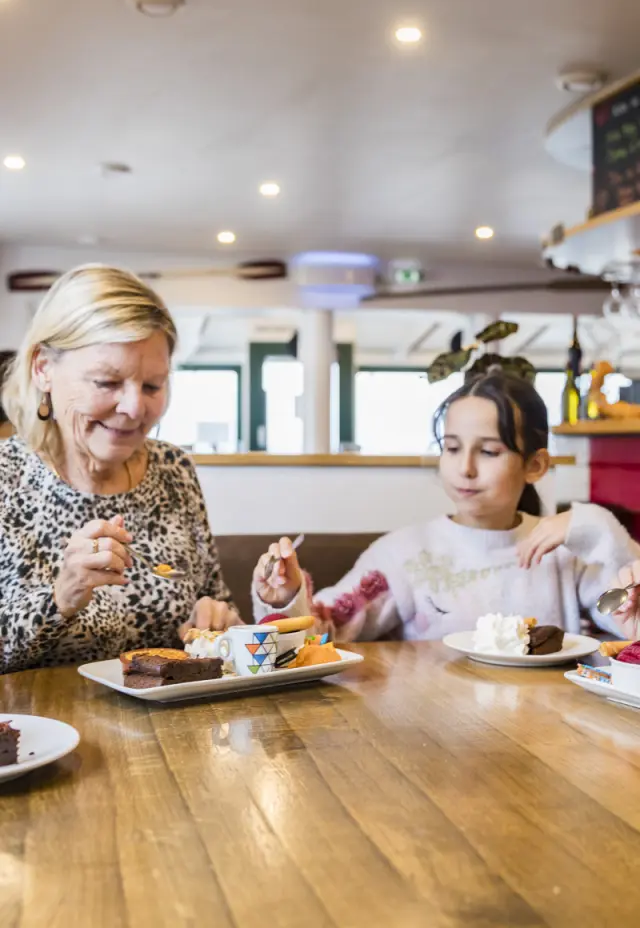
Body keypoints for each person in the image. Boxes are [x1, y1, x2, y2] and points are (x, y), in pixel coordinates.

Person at [252, 371, 640, 641]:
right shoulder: (404, 554)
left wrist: (597, 526)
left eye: (489, 452)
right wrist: (287, 596)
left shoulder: (563, 551)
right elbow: (326, 630)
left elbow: (622, 613)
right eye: (452, 448)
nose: (465, 468)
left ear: (535, 465)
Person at [0, 264, 239, 674]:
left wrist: (214, 621)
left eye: (152, 386)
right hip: (42, 716)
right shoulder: (7, 477)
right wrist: (60, 598)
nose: (133, 407)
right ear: (43, 369)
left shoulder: (174, 470)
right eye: (107, 383)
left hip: (168, 714)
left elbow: (214, 598)